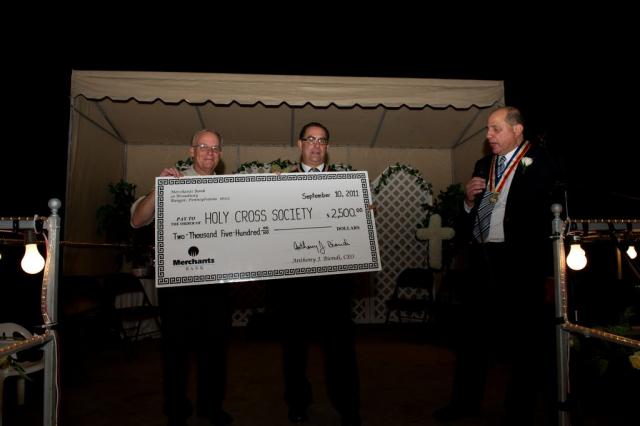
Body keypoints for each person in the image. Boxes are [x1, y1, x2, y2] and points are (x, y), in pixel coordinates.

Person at [433, 107, 559, 425]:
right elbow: (467, 224)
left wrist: (546, 273)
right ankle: (464, 403)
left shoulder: (541, 162)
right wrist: (468, 202)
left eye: (496, 129)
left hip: (519, 265)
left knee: (524, 344)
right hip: (481, 261)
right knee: (471, 339)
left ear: (517, 130)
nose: (488, 135)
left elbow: (542, 218)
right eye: (488, 129)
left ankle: (519, 412)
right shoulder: (484, 165)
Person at [131, 129, 233, 426]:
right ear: (191, 151)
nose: (209, 153)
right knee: (176, 350)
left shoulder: (230, 188)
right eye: (203, 147)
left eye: (215, 148)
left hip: (216, 283)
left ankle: (211, 407)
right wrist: (159, 187)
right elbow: (137, 220)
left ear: (220, 154)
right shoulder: (173, 182)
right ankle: (176, 409)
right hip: (178, 285)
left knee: (214, 350)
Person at [268, 122, 362, 426]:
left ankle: (347, 405)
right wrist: (269, 195)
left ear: (327, 147)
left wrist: (362, 217)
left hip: (334, 284)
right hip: (294, 284)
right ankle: (297, 403)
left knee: (340, 349)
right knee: (294, 349)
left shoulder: (346, 185)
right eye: (310, 139)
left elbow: (354, 233)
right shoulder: (280, 183)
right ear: (300, 144)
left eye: (322, 141)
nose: (316, 145)